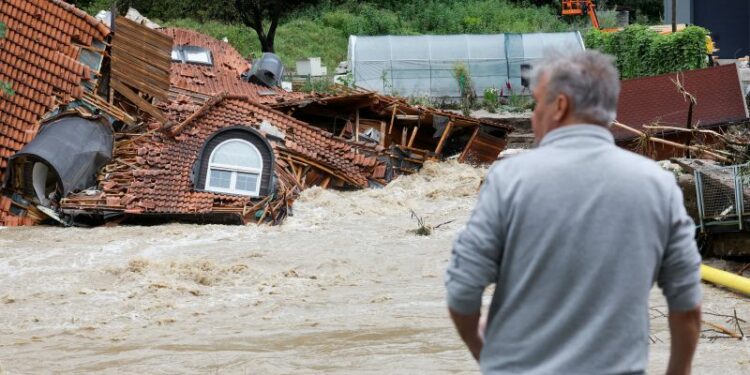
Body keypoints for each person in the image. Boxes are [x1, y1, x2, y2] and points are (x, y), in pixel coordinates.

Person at [444, 50, 702, 374]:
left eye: (537, 103)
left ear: (560, 106)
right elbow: (687, 307)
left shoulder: (509, 179)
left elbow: (462, 290)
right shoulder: (659, 186)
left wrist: (488, 356)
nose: (535, 114)